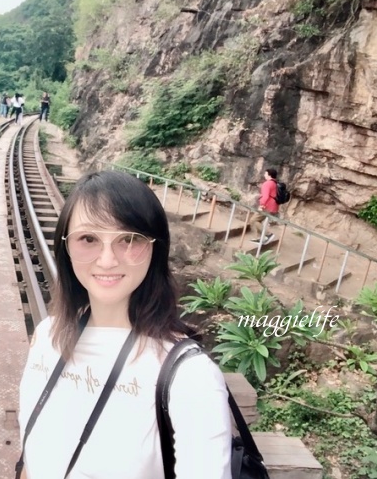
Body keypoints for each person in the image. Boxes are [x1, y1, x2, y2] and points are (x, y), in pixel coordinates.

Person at [18, 171, 231, 479]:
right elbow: (34, 458)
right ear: (66, 246)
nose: (107, 260)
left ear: (155, 248)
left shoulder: (189, 375)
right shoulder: (47, 335)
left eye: (129, 240)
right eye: (88, 239)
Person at [249, 167, 280, 244]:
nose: (264, 175)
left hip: (267, 206)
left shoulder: (267, 183)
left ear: (269, 175)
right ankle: (261, 238)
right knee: (258, 220)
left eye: (265, 173)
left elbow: (266, 196)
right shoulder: (275, 183)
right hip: (274, 207)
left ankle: (268, 234)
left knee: (253, 220)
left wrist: (261, 205)